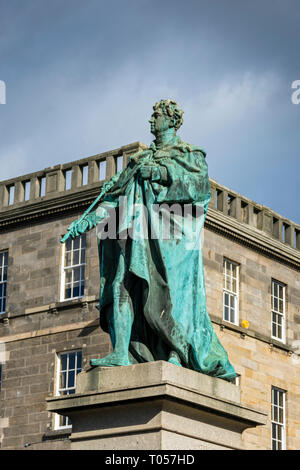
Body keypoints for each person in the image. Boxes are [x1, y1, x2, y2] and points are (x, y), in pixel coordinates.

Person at [65, 99, 236, 382]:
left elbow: (199, 188)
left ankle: (176, 351)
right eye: (152, 115)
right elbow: (115, 198)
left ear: (172, 120)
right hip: (136, 235)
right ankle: (121, 352)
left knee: (172, 295)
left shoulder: (189, 154)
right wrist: (88, 220)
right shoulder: (138, 161)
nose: (151, 121)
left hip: (172, 236)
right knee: (123, 285)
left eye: (156, 115)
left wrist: (161, 173)